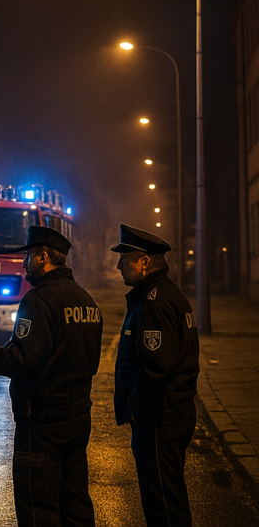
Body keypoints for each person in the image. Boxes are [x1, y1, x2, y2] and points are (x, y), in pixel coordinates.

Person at [0, 225, 102, 527]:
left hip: (42, 422)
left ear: (43, 257)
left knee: (38, 506)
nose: (23, 265)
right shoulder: (86, 300)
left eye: (27, 258)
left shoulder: (39, 300)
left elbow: (24, 359)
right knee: (75, 502)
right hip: (76, 418)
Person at [112, 224, 199, 527]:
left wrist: (136, 411)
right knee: (168, 494)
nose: (119, 266)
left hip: (161, 418)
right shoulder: (167, 295)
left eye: (125, 260)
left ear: (145, 262)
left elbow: (155, 368)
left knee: (162, 501)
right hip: (172, 412)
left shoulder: (155, 302)